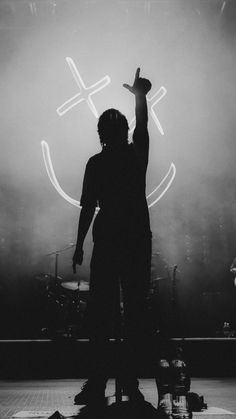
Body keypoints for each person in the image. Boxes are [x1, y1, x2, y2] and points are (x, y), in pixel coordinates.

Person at [72, 68, 152, 404]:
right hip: (134, 240)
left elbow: (88, 207)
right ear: (124, 131)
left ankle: (97, 381)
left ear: (101, 133)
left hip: (108, 241)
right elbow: (143, 129)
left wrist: (78, 245)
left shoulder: (96, 163)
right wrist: (140, 98)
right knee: (134, 311)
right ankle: (130, 381)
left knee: (101, 314)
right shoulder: (135, 157)